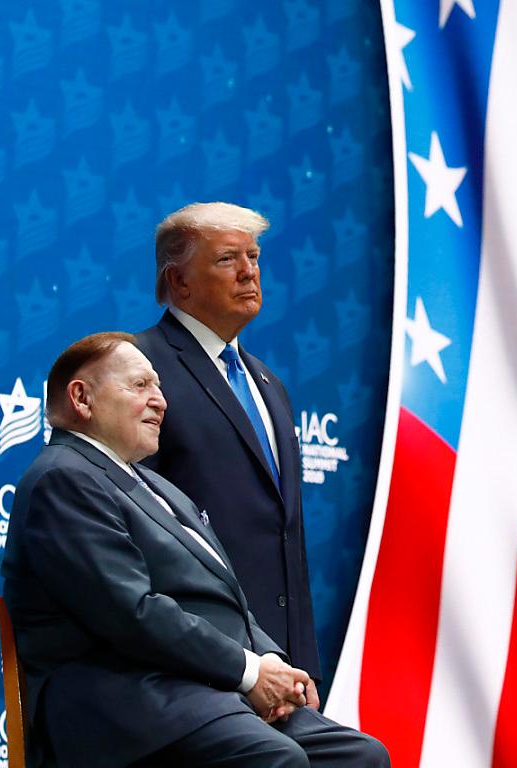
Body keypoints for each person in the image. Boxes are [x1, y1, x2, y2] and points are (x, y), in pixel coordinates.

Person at [1, 333, 389, 768]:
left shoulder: (156, 486)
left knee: (360, 758)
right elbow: (133, 613)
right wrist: (249, 672)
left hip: (202, 689)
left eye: (159, 386)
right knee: (276, 759)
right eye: (141, 385)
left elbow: (225, 600)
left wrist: (272, 663)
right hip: (123, 701)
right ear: (82, 398)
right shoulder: (63, 478)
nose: (160, 401)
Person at [135, 202, 324, 702]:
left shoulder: (269, 384)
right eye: (226, 259)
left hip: (283, 669)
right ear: (179, 282)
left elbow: (285, 536)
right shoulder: (140, 370)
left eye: (253, 257)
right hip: (197, 672)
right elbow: (137, 527)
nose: (249, 272)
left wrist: (302, 666)